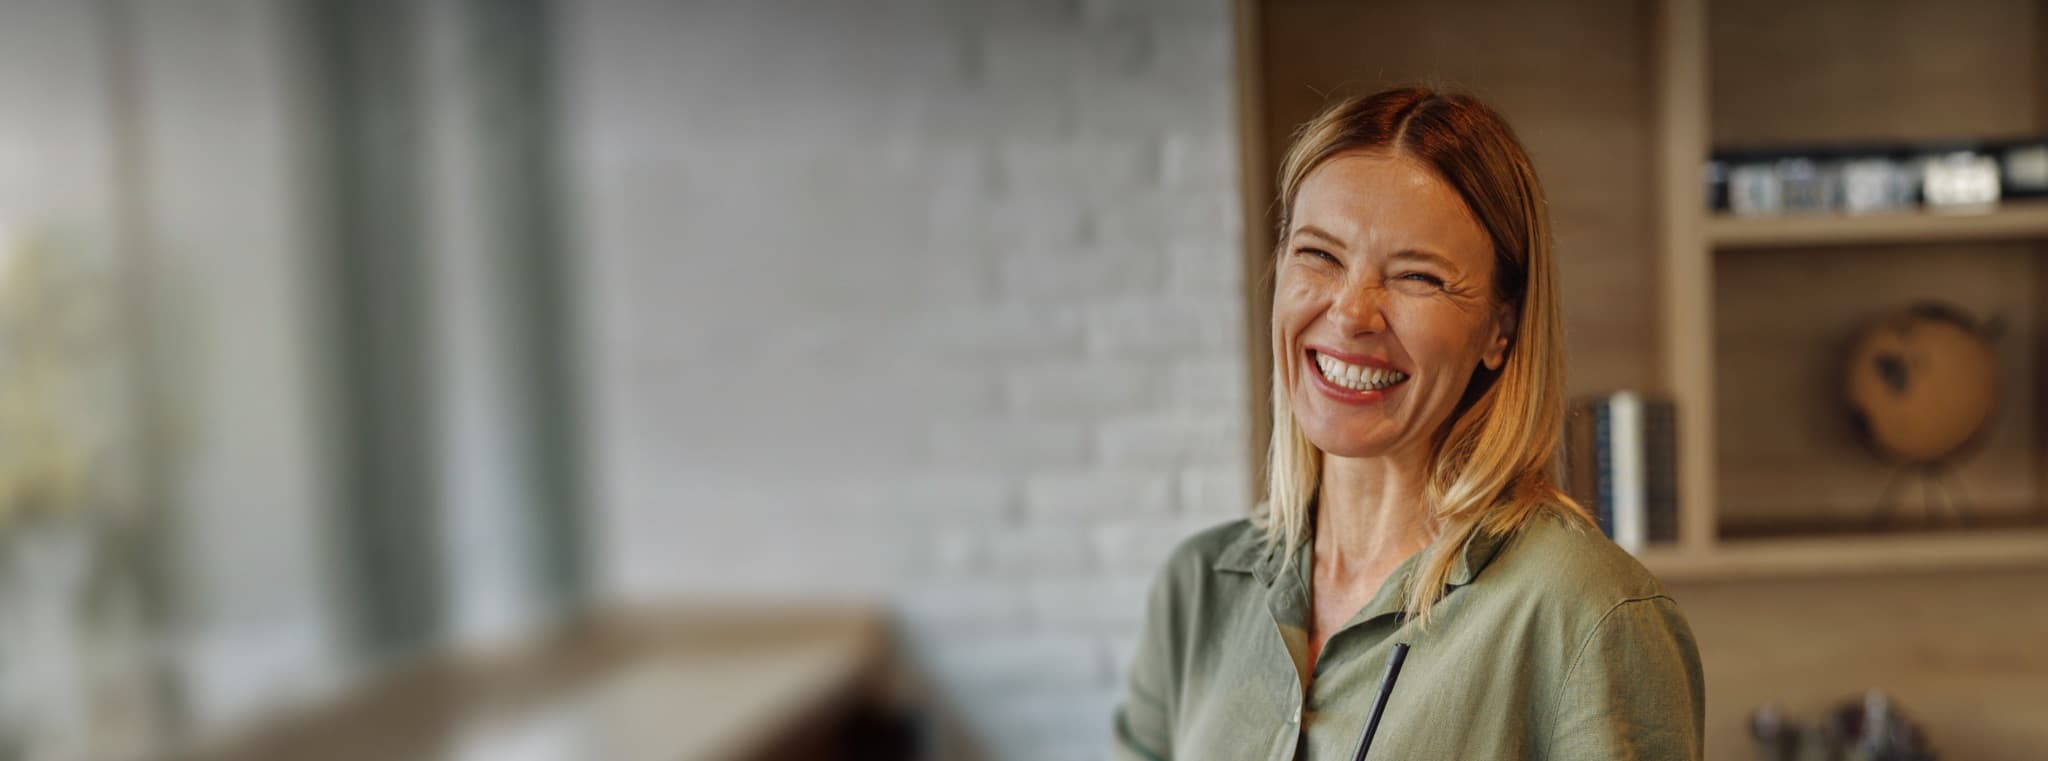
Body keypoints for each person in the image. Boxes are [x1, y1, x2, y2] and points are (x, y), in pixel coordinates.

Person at [1110, 87, 1705, 760]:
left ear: (1501, 329)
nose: (1351, 314)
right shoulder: (1196, 591)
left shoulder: (1587, 615)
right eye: (1320, 255)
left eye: (1418, 276)